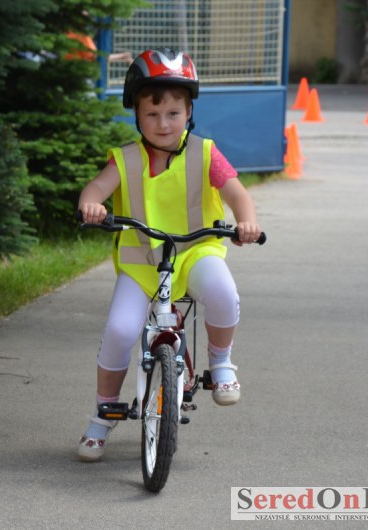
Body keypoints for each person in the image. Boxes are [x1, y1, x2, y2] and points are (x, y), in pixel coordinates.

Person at [76, 49, 262, 462]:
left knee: (223, 292)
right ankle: (104, 412)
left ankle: (222, 363)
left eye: (173, 113)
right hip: (142, 264)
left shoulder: (205, 153)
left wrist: (246, 222)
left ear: (189, 112)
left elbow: (237, 194)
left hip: (196, 252)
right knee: (120, 331)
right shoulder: (125, 159)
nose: (163, 123)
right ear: (137, 116)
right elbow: (96, 188)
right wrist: (91, 204)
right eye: (152, 114)